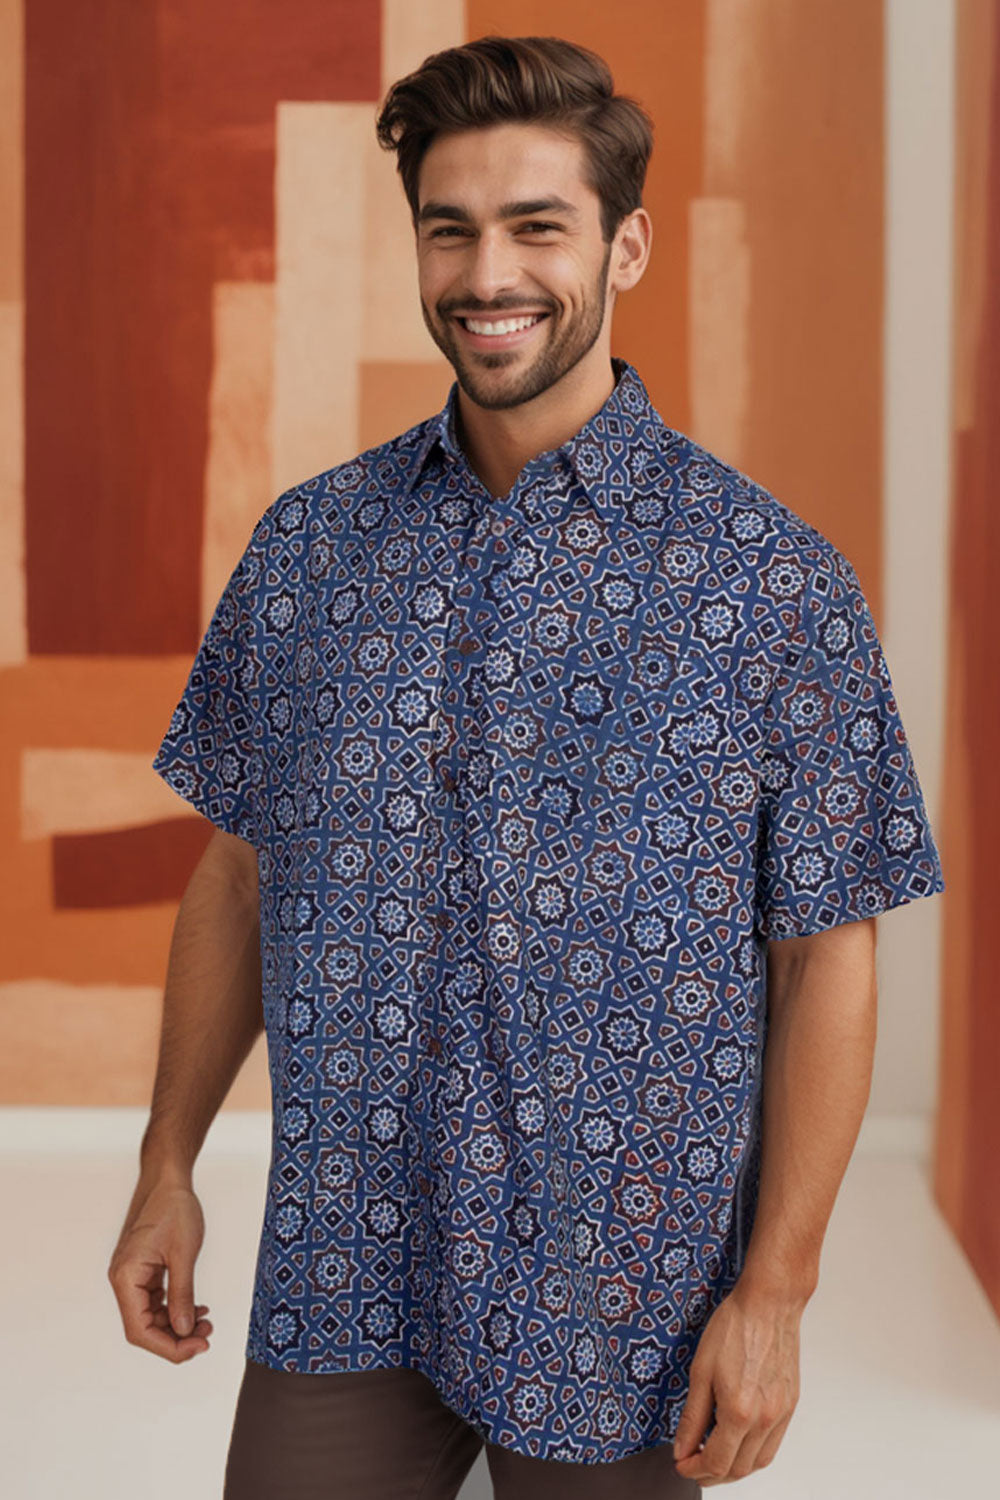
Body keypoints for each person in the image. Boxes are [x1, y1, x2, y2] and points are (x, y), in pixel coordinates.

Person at [108, 33, 946, 1499]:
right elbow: (238, 876)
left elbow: (830, 953)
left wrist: (777, 1293)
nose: (488, 273)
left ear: (626, 248)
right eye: (451, 230)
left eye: (536, 226)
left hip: (626, 1302)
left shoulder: (773, 584)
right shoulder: (308, 551)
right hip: (345, 1265)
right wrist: (165, 1163)